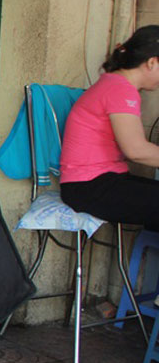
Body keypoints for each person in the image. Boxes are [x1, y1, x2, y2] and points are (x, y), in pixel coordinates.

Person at [60, 25, 159, 230]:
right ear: (152, 62)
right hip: (89, 187)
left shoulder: (115, 84)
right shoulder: (120, 89)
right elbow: (136, 150)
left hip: (101, 181)